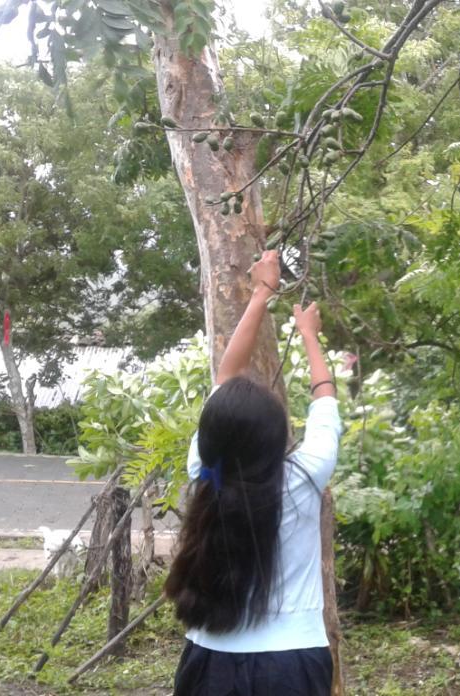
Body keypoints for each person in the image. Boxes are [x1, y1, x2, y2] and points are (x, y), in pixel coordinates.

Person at [164, 250, 342, 696]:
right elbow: (325, 398)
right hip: (293, 665)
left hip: (209, 661)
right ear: (277, 436)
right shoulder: (304, 478)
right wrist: (308, 335)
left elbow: (227, 377)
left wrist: (261, 292)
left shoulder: (207, 472)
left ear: (211, 435)